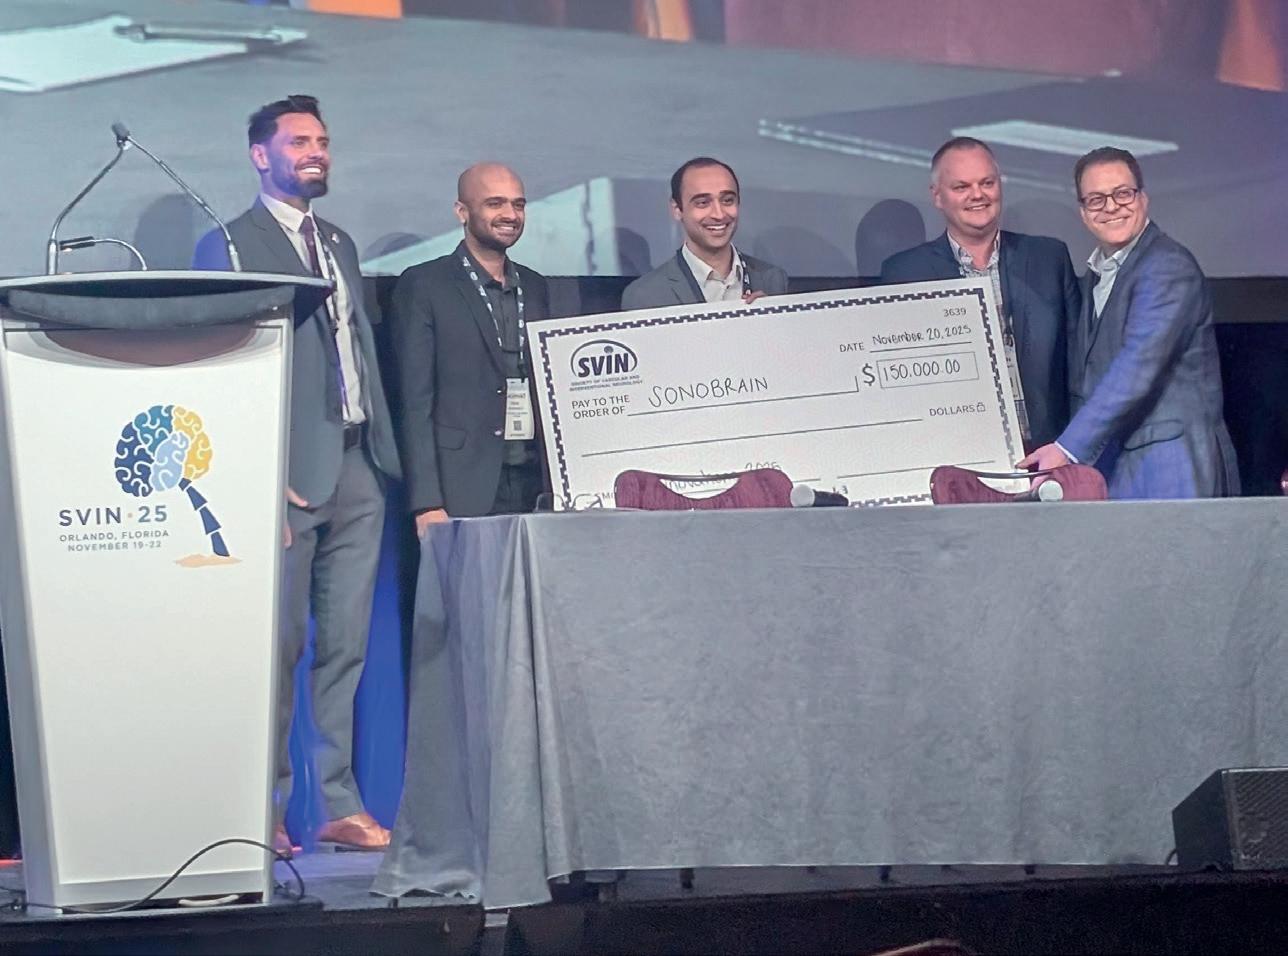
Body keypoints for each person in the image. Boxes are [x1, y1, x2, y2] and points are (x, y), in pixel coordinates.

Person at [193, 94, 401, 853]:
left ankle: (337, 804)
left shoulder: (338, 241)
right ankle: (264, 809)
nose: (317, 152)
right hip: (282, 476)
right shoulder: (228, 244)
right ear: (260, 156)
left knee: (345, 646)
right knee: (277, 648)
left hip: (357, 462)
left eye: (322, 141)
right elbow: (216, 366)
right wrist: (253, 469)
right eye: (299, 142)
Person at [1019, 147, 1239, 497]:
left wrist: (1067, 448)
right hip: (1117, 469)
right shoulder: (1097, 274)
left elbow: (1137, 366)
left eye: (1122, 193)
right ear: (1083, 212)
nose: (1110, 207)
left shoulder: (1167, 266)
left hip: (1173, 469)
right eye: (1096, 199)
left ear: (1143, 199)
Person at [880, 136, 1079, 450]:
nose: (977, 195)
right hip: (956, 455)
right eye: (961, 187)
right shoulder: (904, 274)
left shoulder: (1049, 258)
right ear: (937, 196)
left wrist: (1073, 447)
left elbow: (1080, 362)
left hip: (1047, 453)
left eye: (987, 183)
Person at [389, 163, 551, 531]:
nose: (510, 215)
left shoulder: (535, 286)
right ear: (462, 212)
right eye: (495, 203)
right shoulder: (425, 285)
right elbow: (414, 402)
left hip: (533, 481)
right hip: (460, 486)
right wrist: (426, 502)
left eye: (518, 204)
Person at [621, 157, 788, 310]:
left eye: (727, 200)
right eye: (702, 203)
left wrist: (772, 321)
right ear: (677, 209)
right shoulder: (644, 295)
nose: (719, 214)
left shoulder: (773, 280)